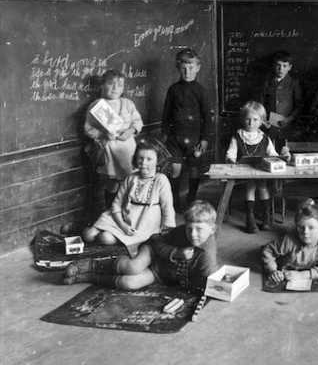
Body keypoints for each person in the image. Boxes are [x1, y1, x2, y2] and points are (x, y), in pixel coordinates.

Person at [63, 200, 217, 291]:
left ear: (212, 229)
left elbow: (204, 283)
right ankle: (92, 265)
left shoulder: (206, 256)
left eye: (199, 229)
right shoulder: (180, 232)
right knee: (133, 267)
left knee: (128, 283)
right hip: (153, 251)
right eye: (189, 228)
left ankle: (90, 276)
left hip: (161, 272)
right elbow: (156, 240)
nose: (192, 234)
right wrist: (175, 253)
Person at [82, 139, 176, 255]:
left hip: (143, 223)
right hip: (123, 217)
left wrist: (168, 233)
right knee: (88, 235)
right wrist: (122, 225)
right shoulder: (131, 178)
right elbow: (117, 203)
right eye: (140, 158)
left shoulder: (161, 180)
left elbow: (168, 208)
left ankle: (106, 234)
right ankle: (82, 226)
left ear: (158, 161)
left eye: (149, 159)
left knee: (105, 238)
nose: (144, 163)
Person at [226, 101, 289, 233]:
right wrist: (231, 160)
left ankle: (266, 218)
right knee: (250, 187)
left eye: (255, 120)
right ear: (243, 119)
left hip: (261, 171)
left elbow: (273, 154)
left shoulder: (264, 138)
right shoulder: (238, 136)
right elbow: (230, 153)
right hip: (245, 172)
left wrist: (282, 155)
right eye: (248, 119)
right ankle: (250, 218)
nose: (251, 123)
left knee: (263, 187)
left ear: (261, 121)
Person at [162, 48, 212, 212]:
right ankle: (175, 202)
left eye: (191, 68)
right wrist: (164, 134)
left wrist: (204, 139)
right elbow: (166, 113)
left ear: (198, 67)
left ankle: (191, 198)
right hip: (175, 137)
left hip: (194, 138)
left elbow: (207, 117)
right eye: (183, 68)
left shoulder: (200, 91)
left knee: (193, 168)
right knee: (175, 169)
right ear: (178, 68)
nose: (187, 71)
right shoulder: (173, 89)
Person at [84, 69, 143, 208]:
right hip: (109, 150)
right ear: (102, 86)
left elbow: (138, 121)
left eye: (120, 85)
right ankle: (112, 211)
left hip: (128, 148)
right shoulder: (97, 105)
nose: (116, 88)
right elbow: (88, 128)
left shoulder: (127, 103)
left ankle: (129, 211)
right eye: (111, 84)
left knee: (130, 181)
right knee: (112, 183)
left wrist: (130, 131)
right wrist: (102, 134)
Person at [262, 198, 318, 283]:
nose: (305, 232)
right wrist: (273, 270)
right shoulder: (289, 241)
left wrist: (302, 275)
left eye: (311, 228)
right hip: (294, 263)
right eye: (301, 228)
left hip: (316, 261)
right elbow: (267, 250)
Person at [257, 50, 303, 152]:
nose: (281, 69)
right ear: (274, 66)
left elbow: (299, 105)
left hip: (287, 127)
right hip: (269, 127)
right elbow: (260, 104)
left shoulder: (293, 84)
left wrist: (289, 119)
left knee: (286, 153)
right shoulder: (267, 83)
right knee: (269, 152)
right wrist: (263, 120)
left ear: (290, 67)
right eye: (278, 65)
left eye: (284, 66)